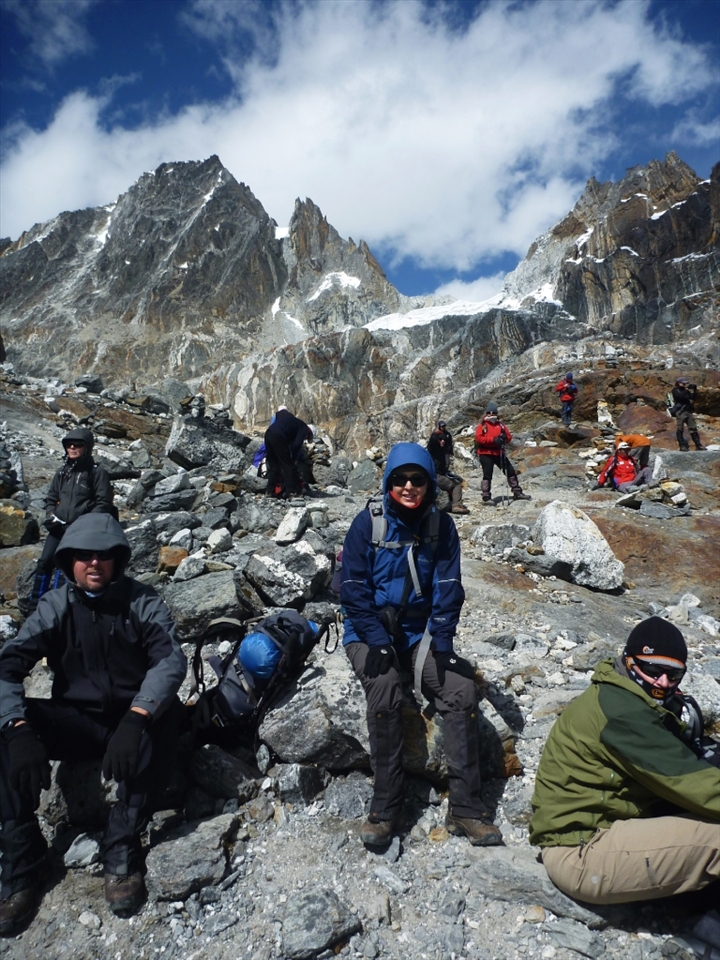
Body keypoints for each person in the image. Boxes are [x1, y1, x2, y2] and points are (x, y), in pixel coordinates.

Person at [0, 514, 187, 934]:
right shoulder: (56, 606)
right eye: (83, 556)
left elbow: (170, 660)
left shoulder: (141, 601)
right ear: (69, 563)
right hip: (77, 721)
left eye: (104, 556)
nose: (94, 564)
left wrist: (138, 716)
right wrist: (16, 728)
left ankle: (121, 846)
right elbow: (7, 668)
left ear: (118, 560)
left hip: (130, 722)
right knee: (4, 725)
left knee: (168, 713)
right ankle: (21, 859)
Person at [340, 442, 502, 849]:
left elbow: (449, 587)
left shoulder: (441, 527)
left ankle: (466, 808)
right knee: (385, 688)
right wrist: (375, 640)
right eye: (400, 479)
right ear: (388, 482)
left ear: (430, 483)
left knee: (460, 691)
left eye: (418, 479)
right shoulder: (368, 524)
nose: (409, 486)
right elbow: (352, 588)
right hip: (368, 631)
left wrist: (442, 643)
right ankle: (386, 807)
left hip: (419, 634)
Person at [529, 617, 720, 905]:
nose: (663, 683)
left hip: (599, 827)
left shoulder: (621, 693)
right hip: (581, 851)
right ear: (630, 662)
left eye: (674, 675)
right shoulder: (623, 714)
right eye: (653, 670)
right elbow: (691, 782)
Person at [28, 427, 114, 612]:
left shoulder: (96, 473)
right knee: (44, 564)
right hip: (58, 528)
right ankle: (34, 608)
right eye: (69, 444)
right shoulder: (62, 472)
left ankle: (60, 609)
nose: (72, 447)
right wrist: (51, 516)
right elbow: (51, 499)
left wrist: (82, 525)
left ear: (87, 447)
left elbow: (104, 503)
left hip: (80, 532)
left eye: (77, 444)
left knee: (65, 568)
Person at [474, 402, 531, 506]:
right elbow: (479, 439)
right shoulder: (482, 426)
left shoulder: (501, 425)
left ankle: (517, 492)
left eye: (494, 413)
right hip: (485, 453)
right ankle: (486, 497)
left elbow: (509, 437)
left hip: (498, 452)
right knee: (487, 474)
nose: (492, 415)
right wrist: (493, 440)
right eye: (489, 413)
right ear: (487, 414)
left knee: (510, 471)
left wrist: (505, 438)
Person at [263, 406, 311, 499]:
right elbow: (297, 444)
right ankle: (291, 492)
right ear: (309, 432)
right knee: (287, 465)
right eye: (306, 438)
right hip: (279, 436)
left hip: (268, 433)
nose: (305, 439)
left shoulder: (295, 424)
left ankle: (269, 491)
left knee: (274, 465)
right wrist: (294, 458)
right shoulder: (303, 427)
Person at [427, 420, 469, 515]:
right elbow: (433, 442)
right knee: (456, 484)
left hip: (437, 473)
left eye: (443, 440)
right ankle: (456, 505)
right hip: (435, 475)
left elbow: (448, 447)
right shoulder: (435, 449)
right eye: (440, 440)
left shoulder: (441, 450)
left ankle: (451, 504)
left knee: (456, 479)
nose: (442, 442)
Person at [671, 378, 706, 451]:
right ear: (678, 383)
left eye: (685, 383)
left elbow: (693, 397)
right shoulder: (675, 390)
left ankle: (698, 445)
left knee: (693, 427)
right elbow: (680, 397)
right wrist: (686, 390)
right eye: (682, 383)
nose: (684, 384)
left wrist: (694, 390)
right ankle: (682, 446)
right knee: (680, 428)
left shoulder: (686, 391)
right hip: (680, 411)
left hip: (688, 411)